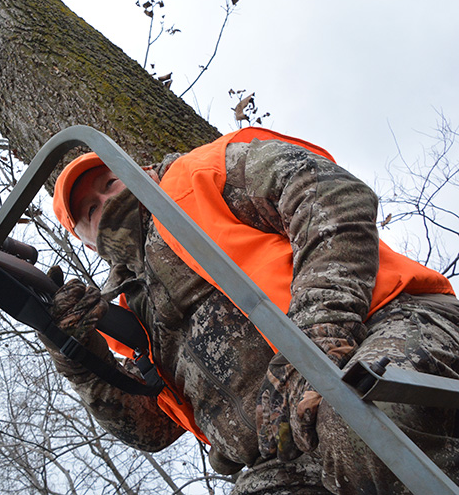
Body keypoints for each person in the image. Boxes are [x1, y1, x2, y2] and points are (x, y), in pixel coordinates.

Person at [46, 126, 459, 494]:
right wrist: (78, 359)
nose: (106, 198)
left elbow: (327, 192)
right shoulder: (129, 313)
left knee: (357, 428)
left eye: (109, 181)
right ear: (86, 242)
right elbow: (154, 428)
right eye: (91, 209)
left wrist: (317, 334)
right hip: (282, 451)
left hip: (385, 327)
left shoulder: (202, 174)